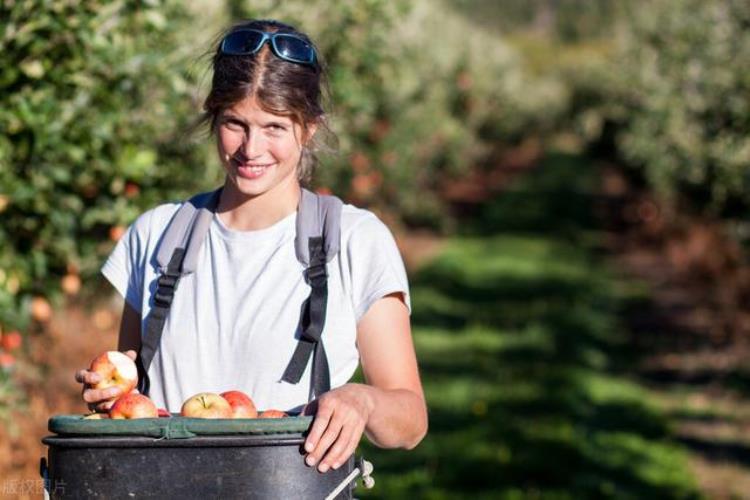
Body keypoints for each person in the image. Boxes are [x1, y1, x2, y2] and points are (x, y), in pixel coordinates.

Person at [74, 18, 427, 473]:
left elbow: (410, 421)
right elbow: (130, 395)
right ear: (213, 116)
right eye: (235, 124)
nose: (251, 148)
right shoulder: (157, 235)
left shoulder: (355, 241)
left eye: (275, 127)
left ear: (310, 128)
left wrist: (362, 401)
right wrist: (108, 393)